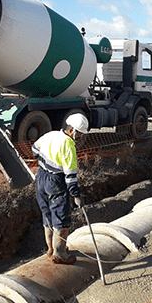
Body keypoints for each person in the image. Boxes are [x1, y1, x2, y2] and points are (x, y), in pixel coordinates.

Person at [32, 112, 89, 265]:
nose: (80, 137)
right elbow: (70, 178)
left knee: (47, 214)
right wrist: (77, 196)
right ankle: (60, 254)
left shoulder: (51, 135)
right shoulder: (69, 146)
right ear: (72, 130)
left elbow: (34, 150)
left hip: (41, 177)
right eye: (80, 134)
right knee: (61, 217)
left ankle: (51, 248)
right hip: (56, 182)